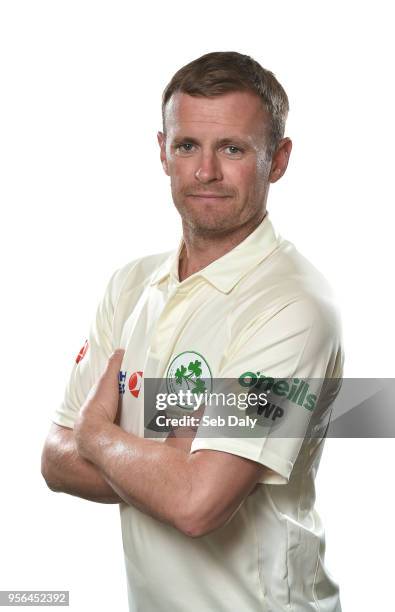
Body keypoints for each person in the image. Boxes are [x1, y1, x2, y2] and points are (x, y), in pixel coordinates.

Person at [41, 51, 344, 612]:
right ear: (162, 152)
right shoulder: (130, 285)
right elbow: (55, 459)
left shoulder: (291, 306)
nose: (205, 172)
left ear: (277, 160)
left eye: (232, 148)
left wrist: (99, 434)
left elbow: (198, 504)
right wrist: (167, 463)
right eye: (187, 147)